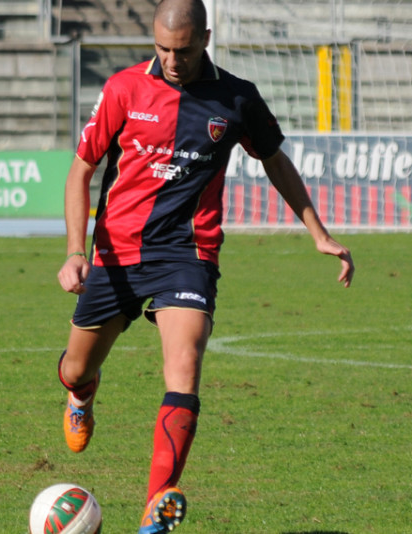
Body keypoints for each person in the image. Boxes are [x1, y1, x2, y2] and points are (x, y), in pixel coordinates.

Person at [55, 0, 355, 532]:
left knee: (186, 366)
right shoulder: (124, 88)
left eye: (184, 49)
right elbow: (81, 171)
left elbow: (275, 162)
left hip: (188, 255)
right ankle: (80, 394)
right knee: (75, 368)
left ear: (206, 38)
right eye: (163, 49)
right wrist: (76, 253)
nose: (172, 60)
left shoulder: (237, 97)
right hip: (116, 253)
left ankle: (156, 503)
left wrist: (319, 234)